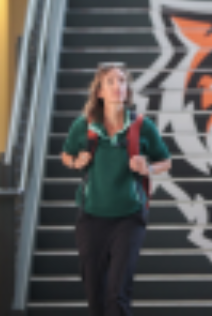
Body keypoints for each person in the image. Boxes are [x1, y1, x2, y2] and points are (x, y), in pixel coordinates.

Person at [61, 62, 171, 316]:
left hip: (129, 218)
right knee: (94, 294)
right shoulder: (84, 126)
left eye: (121, 81)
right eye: (110, 81)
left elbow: (166, 161)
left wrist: (148, 169)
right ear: (99, 91)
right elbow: (65, 155)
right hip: (91, 218)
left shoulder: (142, 126)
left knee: (117, 293)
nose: (117, 86)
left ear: (127, 89)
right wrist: (76, 161)